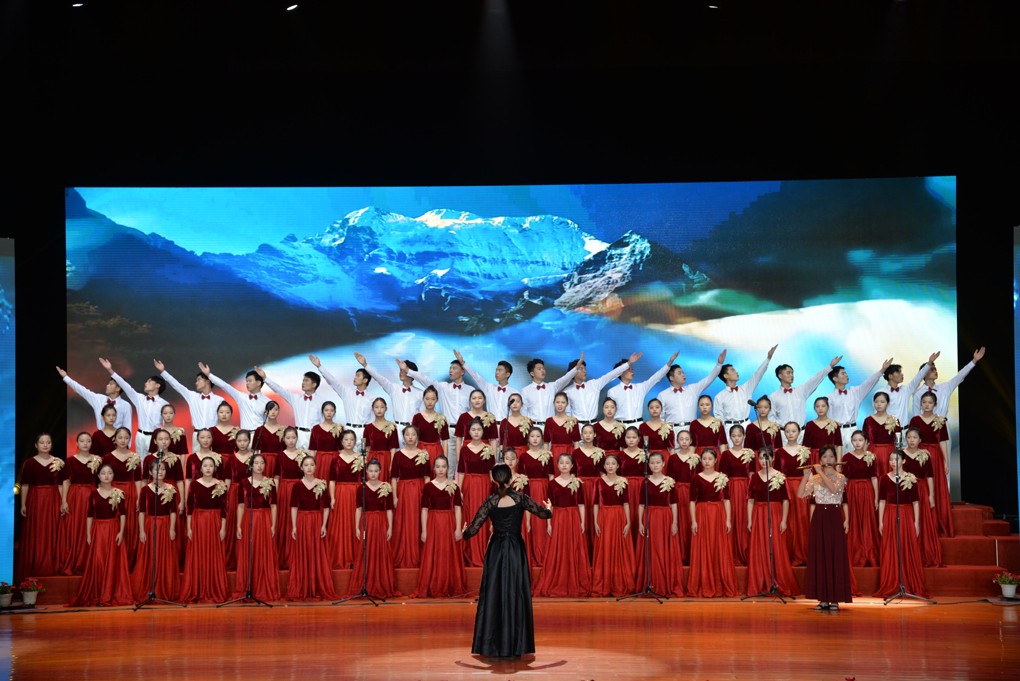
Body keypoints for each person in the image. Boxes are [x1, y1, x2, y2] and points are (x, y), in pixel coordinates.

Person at [462, 463, 552, 658]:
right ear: (511, 479)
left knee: (494, 593)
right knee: (516, 592)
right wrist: (549, 509)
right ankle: (516, 644)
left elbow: (472, 530)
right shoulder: (521, 498)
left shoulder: (490, 501)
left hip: (496, 551)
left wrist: (464, 532)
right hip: (515, 550)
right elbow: (544, 514)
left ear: (493, 480)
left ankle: (492, 645)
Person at [66, 463, 133, 607]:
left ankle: (111, 592)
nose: (106, 476)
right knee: (99, 561)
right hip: (98, 530)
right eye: (103, 473)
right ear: (98, 476)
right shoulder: (93, 494)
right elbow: (89, 515)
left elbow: (123, 515)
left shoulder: (119, 493)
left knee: (113, 562)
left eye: (109, 473)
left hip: (113, 529)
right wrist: (88, 533)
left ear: (113, 475)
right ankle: (98, 591)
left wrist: (121, 532)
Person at [798, 445, 852, 610]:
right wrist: (805, 477)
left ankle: (835, 599)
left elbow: (834, 489)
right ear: (820, 460)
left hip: (834, 516)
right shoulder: (814, 478)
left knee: (835, 555)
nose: (828, 460)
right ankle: (822, 598)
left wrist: (820, 472)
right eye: (824, 457)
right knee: (820, 555)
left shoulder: (840, 477)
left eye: (831, 457)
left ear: (835, 459)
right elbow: (800, 494)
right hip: (819, 517)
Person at [534, 454, 592, 597]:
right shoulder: (552, 484)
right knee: (558, 547)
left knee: (573, 547)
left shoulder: (577, 482)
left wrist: (582, 521)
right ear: (557, 465)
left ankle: (575, 581)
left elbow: (581, 504)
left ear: (572, 466)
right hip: (558, 518)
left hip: (573, 518)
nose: (564, 465)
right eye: (561, 463)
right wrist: (549, 522)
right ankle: (557, 580)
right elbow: (550, 505)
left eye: (567, 463)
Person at [874, 450, 929, 599]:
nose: (893, 462)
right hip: (890, 514)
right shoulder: (884, 479)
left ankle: (908, 582)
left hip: (906, 514)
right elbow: (882, 501)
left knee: (907, 546)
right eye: (891, 459)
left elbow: (916, 502)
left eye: (896, 459)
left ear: (904, 461)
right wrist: (880, 521)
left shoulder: (911, 478)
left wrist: (916, 522)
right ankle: (891, 583)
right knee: (891, 548)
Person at [412, 455, 466, 598]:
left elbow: (458, 508)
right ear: (434, 468)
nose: (441, 469)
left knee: (448, 553)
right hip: (434, 523)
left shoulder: (454, 486)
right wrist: (424, 530)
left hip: (449, 523)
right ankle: (433, 585)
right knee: (433, 553)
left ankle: (449, 584)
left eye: (443, 466)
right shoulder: (428, 487)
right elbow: (424, 509)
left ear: (447, 468)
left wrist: (458, 528)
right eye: (438, 466)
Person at [403, 357, 471, 470]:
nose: (451, 370)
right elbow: (425, 379)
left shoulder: (470, 390)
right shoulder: (443, 387)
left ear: (462, 371)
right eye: (450, 368)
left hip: (465, 432)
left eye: (454, 368)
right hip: (449, 430)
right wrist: (408, 370)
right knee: (448, 467)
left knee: (466, 465)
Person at [344, 458, 400, 599]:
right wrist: (357, 527)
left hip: (381, 522)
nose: (373, 474)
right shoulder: (361, 488)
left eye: (376, 471)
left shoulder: (386, 487)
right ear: (366, 472)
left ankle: (382, 584)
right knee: (366, 551)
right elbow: (358, 509)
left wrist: (390, 527)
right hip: (367, 522)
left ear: (380, 471)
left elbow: (389, 510)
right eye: (370, 471)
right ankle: (366, 585)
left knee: (381, 551)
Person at [633, 451, 686, 597]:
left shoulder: (669, 481)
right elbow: (641, 504)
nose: (655, 465)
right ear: (648, 465)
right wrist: (640, 523)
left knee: (664, 548)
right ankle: (650, 583)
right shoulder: (645, 482)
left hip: (665, 518)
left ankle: (665, 583)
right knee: (651, 549)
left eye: (658, 462)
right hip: (649, 517)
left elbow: (674, 504)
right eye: (652, 463)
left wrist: (674, 522)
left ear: (663, 464)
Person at [746, 450, 798, 597]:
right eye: (761, 458)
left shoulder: (780, 477)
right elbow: (750, 500)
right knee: (759, 546)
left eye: (767, 458)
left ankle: (778, 581)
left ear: (773, 458)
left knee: (776, 545)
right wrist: (749, 519)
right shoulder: (754, 477)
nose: (764, 461)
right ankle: (761, 581)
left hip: (775, 513)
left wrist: (784, 520)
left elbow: (785, 500)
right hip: (758, 514)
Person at [688, 448, 737, 597]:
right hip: (702, 514)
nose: (707, 462)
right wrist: (694, 521)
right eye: (704, 459)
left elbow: (727, 500)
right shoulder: (696, 478)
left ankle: (720, 582)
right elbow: (692, 501)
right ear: (700, 461)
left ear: (716, 460)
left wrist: (728, 519)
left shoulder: (722, 477)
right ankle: (703, 582)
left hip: (718, 514)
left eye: (710, 459)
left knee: (719, 546)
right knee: (703, 546)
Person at [179, 457, 229, 603]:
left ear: (215, 468)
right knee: (198, 553)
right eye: (205, 466)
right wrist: (189, 527)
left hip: (214, 522)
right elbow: (189, 508)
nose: (208, 468)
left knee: (213, 553)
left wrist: (223, 528)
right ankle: (197, 589)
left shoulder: (220, 485)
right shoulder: (194, 485)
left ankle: (214, 588)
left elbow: (224, 509)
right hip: (198, 522)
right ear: (200, 469)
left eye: (211, 466)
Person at [286, 456, 337, 600]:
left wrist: (324, 525)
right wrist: (294, 526)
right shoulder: (297, 486)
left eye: (312, 465)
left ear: (316, 467)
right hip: (302, 522)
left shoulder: (321, 484)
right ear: (301, 468)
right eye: (306, 465)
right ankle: (302, 586)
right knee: (303, 553)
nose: (309, 468)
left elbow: (326, 507)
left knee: (317, 553)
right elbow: (294, 507)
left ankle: (317, 586)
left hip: (316, 521)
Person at [233, 453, 281, 602]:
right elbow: (241, 506)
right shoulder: (243, 483)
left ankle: (264, 587)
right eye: (256, 463)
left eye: (262, 463)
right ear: (251, 465)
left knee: (264, 551)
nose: (259, 466)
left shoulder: (270, 482)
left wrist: (273, 524)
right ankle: (248, 587)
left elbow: (274, 506)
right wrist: (238, 526)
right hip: (248, 518)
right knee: (249, 552)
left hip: (265, 519)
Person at [130, 460, 179, 602]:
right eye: (157, 470)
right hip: (150, 525)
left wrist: (172, 528)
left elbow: (173, 512)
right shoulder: (145, 490)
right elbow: (141, 512)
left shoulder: (171, 489)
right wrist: (141, 531)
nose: (160, 472)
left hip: (165, 525)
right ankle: (148, 588)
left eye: (163, 469)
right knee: (149, 556)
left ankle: (164, 589)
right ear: (150, 472)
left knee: (165, 556)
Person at [16, 433, 64, 579]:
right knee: (36, 529)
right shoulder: (29, 463)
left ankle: (51, 562)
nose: (45, 445)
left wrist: (63, 501)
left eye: (48, 442)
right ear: (36, 445)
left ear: (51, 445)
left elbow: (61, 485)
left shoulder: (57, 462)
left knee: (51, 529)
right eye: (42, 442)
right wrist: (23, 504)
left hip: (53, 499)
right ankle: (35, 562)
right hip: (35, 499)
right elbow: (25, 484)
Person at [100, 357, 169, 455]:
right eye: (146, 381)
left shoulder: (164, 404)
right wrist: (110, 370)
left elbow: (167, 425)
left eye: (149, 381)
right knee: (140, 462)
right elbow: (125, 386)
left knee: (155, 462)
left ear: (157, 385)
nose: (146, 383)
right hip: (140, 436)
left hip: (155, 437)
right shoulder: (140, 399)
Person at [713, 345, 778, 446]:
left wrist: (768, 358)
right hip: (730, 429)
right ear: (725, 376)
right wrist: (724, 437)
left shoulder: (746, 388)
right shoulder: (719, 396)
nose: (736, 372)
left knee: (751, 452)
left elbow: (757, 375)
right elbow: (719, 418)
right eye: (732, 370)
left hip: (747, 426)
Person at [590, 454, 636, 596]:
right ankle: (603, 583)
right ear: (604, 466)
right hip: (603, 517)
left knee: (619, 547)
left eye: (613, 464)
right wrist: (595, 521)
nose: (610, 466)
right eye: (607, 464)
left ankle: (619, 583)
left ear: (618, 466)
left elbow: (626, 503)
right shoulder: (598, 482)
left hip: (619, 516)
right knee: (604, 547)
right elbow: (595, 504)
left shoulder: (623, 481)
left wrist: (628, 521)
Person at [909, 391, 953, 537]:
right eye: (924, 402)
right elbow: (911, 439)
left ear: (935, 404)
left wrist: (945, 461)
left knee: (936, 487)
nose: (927, 405)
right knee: (921, 486)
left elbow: (942, 442)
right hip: (919, 455)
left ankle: (936, 522)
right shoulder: (915, 420)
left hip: (935, 456)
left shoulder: (940, 420)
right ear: (920, 404)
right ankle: (920, 521)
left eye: (930, 402)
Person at [656, 349, 726, 440]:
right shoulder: (663, 395)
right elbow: (660, 418)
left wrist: (719, 364)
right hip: (673, 432)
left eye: (683, 372)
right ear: (671, 378)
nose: (683, 375)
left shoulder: (693, 389)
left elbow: (709, 379)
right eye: (679, 373)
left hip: (692, 430)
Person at [827, 358, 893, 452]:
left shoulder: (855, 392)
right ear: (835, 378)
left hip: (853, 430)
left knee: (856, 457)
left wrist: (882, 370)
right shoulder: (829, 398)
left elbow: (868, 383)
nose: (846, 375)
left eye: (846, 373)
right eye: (843, 373)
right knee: (839, 458)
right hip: (838, 431)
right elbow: (828, 418)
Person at [257, 364, 329, 450]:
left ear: (314, 384)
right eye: (303, 380)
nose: (303, 383)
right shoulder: (296, 399)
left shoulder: (322, 402)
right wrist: (265, 378)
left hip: (313, 436)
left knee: (313, 458)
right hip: (298, 436)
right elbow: (280, 390)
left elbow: (325, 422)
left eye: (306, 381)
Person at [155, 359, 221, 451]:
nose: (196, 383)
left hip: (212, 435)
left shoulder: (219, 400)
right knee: (196, 459)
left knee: (214, 459)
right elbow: (177, 385)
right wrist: (163, 371)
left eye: (198, 380)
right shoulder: (192, 396)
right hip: (197, 435)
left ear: (207, 381)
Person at [58, 432, 100, 575]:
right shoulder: (70, 461)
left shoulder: (97, 460)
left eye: (88, 441)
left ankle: (90, 562)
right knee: (75, 528)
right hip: (75, 496)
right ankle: (74, 561)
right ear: (77, 443)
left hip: (92, 496)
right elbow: (66, 481)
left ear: (91, 443)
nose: (85, 443)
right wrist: (64, 500)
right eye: (82, 441)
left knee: (91, 527)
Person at [357, 354, 423, 446]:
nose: (400, 372)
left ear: (411, 373)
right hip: (397, 430)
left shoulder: (420, 393)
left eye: (403, 370)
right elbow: (379, 377)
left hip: (412, 430)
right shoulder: (394, 388)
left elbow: (422, 416)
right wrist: (365, 365)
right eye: (400, 370)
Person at [458, 418, 498, 568]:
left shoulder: (488, 449)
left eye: (479, 430)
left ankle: (484, 552)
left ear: (483, 432)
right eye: (473, 429)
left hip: (484, 485)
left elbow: (492, 472)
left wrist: (493, 490)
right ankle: (470, 553)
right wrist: (459, 490)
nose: (476, 432)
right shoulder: (464, 449)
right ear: (469, 432)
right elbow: (461, 471)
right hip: (469, 485)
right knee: (470, 515)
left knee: (484, 515)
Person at [389, 426, 431, 568]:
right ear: (403, 437)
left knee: (418, 520)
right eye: (407, 434)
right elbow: (393, 477)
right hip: (403, 491)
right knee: (404, 522)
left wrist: (427, 495)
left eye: (413, 434)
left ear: (417, 436)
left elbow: (427, 477)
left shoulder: (423, 454)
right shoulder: (398, 455)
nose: (411, 437)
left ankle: (419, 555)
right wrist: (395, 497)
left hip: (419, 491)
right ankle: (404, 553)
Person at [900, 427, 943, 567]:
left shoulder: (925, 455)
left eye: (915, 437)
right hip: (906, 489)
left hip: (922, 490)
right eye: (909, 437)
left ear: (920, 440)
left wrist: (931, 495)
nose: (911, 440)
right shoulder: (901, 454)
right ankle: (907, 554)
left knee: (922, 520)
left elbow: (929, 476)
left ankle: (922, 553)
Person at [101, 427, 143, 569]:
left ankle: (128, 560)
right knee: (114, 524)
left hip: (130, 493)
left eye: (126, 438)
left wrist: (138, 498)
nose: (123, 440)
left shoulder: (135, 457)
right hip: (112, 493)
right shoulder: (107, 458)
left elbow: (138, 480)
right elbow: (102, 478)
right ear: (114, 439)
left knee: (130, 525)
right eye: (120, 437)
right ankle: (112, 560)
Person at [841, 430, 880, 567]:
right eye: (855, 440)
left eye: (860, 440)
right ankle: (855, 551)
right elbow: (844, 479)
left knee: (867, 519)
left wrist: (876, 497)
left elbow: (874, 478)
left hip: (867, 490)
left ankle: (868, 550)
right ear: (851, 441)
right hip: (851, 490)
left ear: (866, 442)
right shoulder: (846, 457)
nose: (857, 443)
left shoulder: (871, 457)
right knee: (853, 519)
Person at [768, 356, 843, 426]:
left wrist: (830, 366)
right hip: (784, 432)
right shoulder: (773, 397)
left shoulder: (801, 391)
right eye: (788, 373)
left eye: (792, 373)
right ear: (780, 375)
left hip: (801, 432)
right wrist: (781, 426)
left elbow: (814, 380)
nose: (791, 375)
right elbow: (770, 417)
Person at [775, 422, 811, 565]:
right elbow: (777, 474)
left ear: (799, 432)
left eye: (793, 431)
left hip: (801, 487)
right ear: (784, 433)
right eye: (788, 431)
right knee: (787, 519)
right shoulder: (779, 452)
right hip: (785, 487)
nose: (790, 434)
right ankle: (786, 554)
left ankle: (802, 553)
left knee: (801, 519)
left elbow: (809, 472)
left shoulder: (805, 451)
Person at [717, 424, 754, 566]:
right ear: (730, 438)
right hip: (731, 489)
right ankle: (730, 553)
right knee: (731, 517)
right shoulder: (726, 454)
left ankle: (746, 551)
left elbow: (752, 475)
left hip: (745, 489)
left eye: (739, 435)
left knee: (745, 518)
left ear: (744, 436)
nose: (737, 438)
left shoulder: (749, 453)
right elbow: (722, 477)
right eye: (734, 436)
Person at [571, 352, 643, 424]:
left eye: (585, 368)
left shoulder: (594, 384)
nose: (584, 371)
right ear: (572, 372)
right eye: (581, 368)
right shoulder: (568, 391)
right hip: (576, 426)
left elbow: (610, 375)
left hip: (594, 425)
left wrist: (629, 363)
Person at [58, 365, 133, 433]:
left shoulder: (126, 406)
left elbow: (128, 429)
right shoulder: (99, 399)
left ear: (118, 388)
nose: (107, 385)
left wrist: (125, 444)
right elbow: (82, 390)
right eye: (108, 383)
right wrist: (66, 377)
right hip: (100, 439)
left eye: (111, 384)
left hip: (117, 441)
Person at [518, 426, 554, 566]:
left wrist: (551, 493)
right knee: (529, 521)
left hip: (543, 490)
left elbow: (551, 476)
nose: (535, 439)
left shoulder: (547, 455)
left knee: (541, 521)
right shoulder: (523, 456)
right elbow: (521, 477)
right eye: (532, 436)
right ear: (528, 439)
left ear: (542, 439)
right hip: (528, 490)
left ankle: (544, 554)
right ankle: (529, 553)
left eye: (538, 436)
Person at [326, 429, 360, 569]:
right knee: (341, 524)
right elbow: (332, 481)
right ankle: (341, 556)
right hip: (340, 493)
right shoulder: (335, 460)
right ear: (341, 441)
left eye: (351, 439)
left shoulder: (361, 459)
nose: (349, 442)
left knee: (355, 523)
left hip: (356, 494)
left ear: (355, 441)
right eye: (346, 439)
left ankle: (356, 557)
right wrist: (333, 497)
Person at [200, 363, 270, 431]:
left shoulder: (267, 401)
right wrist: (209, 375)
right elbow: (225, 386)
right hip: (245, 436)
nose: (247, 383)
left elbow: (269, 422)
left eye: (250, 381)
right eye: (246, 381)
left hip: (260, 436)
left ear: (258, 383)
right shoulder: (241, 397)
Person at [665, 430, 700, 564]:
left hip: (692, 494)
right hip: (677, 493)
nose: (684, 442)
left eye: (687, 439)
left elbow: (700, 478)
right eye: (681, 439)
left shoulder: (696, 458)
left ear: (691, 441)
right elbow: (669, 480)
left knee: (691, 520)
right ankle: (679, 554)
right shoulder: (673, 458)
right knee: (678, 520)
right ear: (677, 441)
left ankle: (692, 554)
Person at [605, 351, 670, 424]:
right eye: (628, 369)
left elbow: (655, 378)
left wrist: (669, 363)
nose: (632, 371)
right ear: (619, 372)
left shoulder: (640, 387)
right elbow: (609, 412)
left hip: (638, 425)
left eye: (632, 369)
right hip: (620, 426)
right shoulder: (612, 391)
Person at [275, 426, 306, 569]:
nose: (291, 440)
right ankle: (284, 555)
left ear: (297, 438)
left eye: (293, 437)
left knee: (298, 521)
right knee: (285, 521)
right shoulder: (280, 456)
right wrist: (276, 493)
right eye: (288, 438)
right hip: (284, 491)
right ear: (283, 439)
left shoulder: (303, 454)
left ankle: (298, 556)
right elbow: (276, 477)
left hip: (299, 490)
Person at [519, 354, 582, 425]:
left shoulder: (551, 387)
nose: (542, 370)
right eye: (539, 369)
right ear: (532, 373)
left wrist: (577, 367)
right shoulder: (525, 391)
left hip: (550, 426)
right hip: (534, 427)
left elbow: (565, 379)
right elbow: (523, 411)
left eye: (543, 368)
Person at [455, 350, 515, 421]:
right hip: (490, 424)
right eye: (496, 370)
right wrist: (462, 363)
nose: (497, 372)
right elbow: (476, 377)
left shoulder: (514, 393)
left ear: (507, 374)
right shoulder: (489, 388)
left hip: (506, 425)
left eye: (500, 370)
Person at [883, 352, 939, 427]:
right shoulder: (881, 393)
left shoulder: (905, 390)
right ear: (890, 376)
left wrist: (929, 363)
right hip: (889, 431)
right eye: (898, 372)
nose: (902, 374)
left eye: (901, 372)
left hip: (905, 431)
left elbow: (917, 378)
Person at [862, 391, 900, 476]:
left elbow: (898, 441)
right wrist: (863, 454)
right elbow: (864, 440)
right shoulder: (868, 420)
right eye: (876, 402)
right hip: (872, 453)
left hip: (889, 453)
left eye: (882, 402)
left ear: (888, 403)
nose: (879, 404)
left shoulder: (894, 420)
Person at [362, 397, 400, 482]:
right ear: (372, 409)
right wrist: (364, 463)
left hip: (386, 459)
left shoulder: (392, 427)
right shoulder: (368, 427)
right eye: (376, 407)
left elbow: (393, 448)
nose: (379, 410)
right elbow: (365, 447)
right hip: (372, 459)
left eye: (382, 407)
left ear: (386, 408)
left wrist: (392, 464)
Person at [411, 386, 450, 467]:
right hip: (421, 451)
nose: (430, 402)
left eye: (433, 399)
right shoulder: (417, 417)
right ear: (423, 399)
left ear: (437, 400)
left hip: (437, 451)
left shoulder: (441, 418)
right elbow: (413, 438)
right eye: (427, 399)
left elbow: (445, 441)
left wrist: (445, 459)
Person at [454, 389, 499, 455]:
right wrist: (459, 457)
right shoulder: (463, 417)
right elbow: (458, 438)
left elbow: (493, 440)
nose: (477, 400)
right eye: (474, 398)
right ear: (470, 401)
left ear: (484, 400)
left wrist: (493, 457)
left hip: (485, 453)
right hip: (467, 452)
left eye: (480, 398)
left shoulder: (490, 417)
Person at [251, 400, 287, 478]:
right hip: (264, 462)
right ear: (266, 412)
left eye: (276, 409)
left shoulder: (284, 430)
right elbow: (255, 451)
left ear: (279, 411)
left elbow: (287, 449)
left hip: (279, 462)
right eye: (270, 409)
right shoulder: (259, 430)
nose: (273, 412)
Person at [309, 401, 343, 480]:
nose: (329, 413)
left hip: (334, 459)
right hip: (320, 460)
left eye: (332, 410)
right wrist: (311, 464)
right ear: (322, 412)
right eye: (326, 410)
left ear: (335, 412)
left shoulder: (339, 428)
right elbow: (312, 450)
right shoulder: (315, 429)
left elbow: (342, 449)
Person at [803, 396, 843, 462]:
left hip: (830, 458)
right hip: (814, 459)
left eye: (823, 406)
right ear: (814, 408)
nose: (820, 408)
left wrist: (839, 463)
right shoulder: (809, 425)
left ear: (828, 407)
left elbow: (839, 445)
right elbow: (806, 446)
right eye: (817, 406)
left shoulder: (834, 424)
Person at [543, 392, 578, 456]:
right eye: (557, 402)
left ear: (567, 404)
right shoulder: (549, 421)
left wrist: (576, 457)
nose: (560, 405)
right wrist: (546, 456)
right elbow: (546, 442)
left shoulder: (573, 420)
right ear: (554, 403)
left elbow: (576, 442)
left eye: (563, 402)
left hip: (569, 455)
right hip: (554, 454)